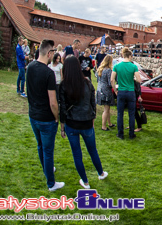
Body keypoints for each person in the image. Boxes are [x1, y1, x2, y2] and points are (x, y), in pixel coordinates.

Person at [59, 56, 108, 189]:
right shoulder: (85, 83)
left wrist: (62, 126)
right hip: (84, 122)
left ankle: (86, 181)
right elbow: (92, 102)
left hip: (73, 124)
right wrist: (93, 117)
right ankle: (100, 173)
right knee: (92, 150)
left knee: (77, 153)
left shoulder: (67, 85)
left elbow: (62, 108)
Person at [26, 39, 64, 191]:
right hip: (45, 118)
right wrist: (56, 117)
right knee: (47, 150)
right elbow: (53, 102)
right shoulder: (48, 73)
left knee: (41, 146)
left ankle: (48, 170)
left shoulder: (30, 67)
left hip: (33, 115)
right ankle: (51, 183)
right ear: (49, 53)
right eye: (52, 53)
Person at [111, 47, 142, 140]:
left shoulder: (116, 66)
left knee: (120, 113)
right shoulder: (133, 66)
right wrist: (133, 78)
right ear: (129, 56)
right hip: (131, 92)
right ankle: (131, 134)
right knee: (131, 113)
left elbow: (112, 80)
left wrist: (115, 90)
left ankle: (120, 134)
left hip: (121, 91)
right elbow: (139, 80)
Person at [96, 55, 116, 131]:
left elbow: (98, 80)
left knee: (107, 108)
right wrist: (115, 87)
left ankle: (109, 123)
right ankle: (103, 126)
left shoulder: (100, 69)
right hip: (106, 91)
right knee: (106, 109)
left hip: (99, 89)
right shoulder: (108, 70)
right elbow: (109, 82)